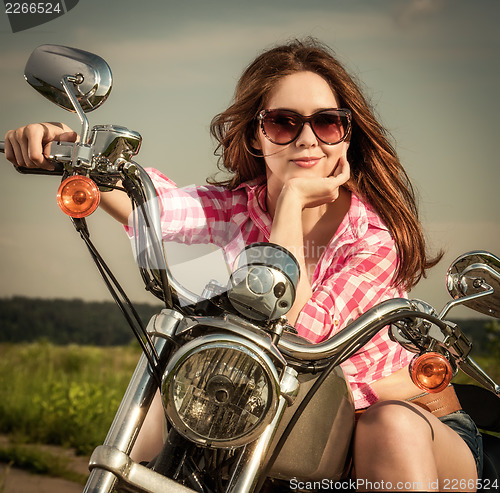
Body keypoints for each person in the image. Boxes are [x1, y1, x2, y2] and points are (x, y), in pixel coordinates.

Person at [4, 38, 482, 491]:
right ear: (257, 134)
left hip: (412, 426)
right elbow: (157, 205)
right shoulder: (235, 207)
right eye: (283, 122)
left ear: (346, 135)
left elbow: (295, 333)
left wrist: (292, 202)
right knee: (165, 392)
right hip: (289, 423)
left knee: (388, 427)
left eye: (328, 122)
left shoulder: (374, 240)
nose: (307, 139)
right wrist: (67, 153)